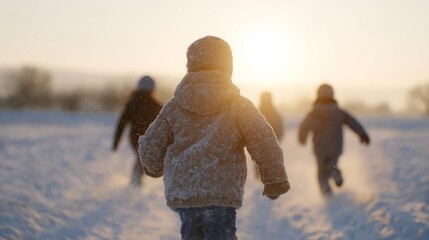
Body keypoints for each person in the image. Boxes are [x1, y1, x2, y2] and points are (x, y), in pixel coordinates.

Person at [138, 36, 290, 239]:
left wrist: (153, 166)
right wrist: (274, 178)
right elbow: (263, 140)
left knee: (192, 234)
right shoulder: (239, 106)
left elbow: (151, 145)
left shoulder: (173, 107)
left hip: (186, 191)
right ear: (228, 67)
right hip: (222, 191)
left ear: (190, 66)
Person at [298, 83, 370, 197]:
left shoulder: (313, 113)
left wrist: (302, 138)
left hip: (320, 147)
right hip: (335, 147)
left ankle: (327, 194)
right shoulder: (339, 112)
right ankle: (334, 172)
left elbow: (304, 126)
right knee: (331, 164)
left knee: (321, 172)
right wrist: (362, 134)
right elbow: (353, 122)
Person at [112, 76, 162, 186]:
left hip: (134, 138)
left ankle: (135, 183)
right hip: (148, 139)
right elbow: (164, 124)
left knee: (141, 158)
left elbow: (121, 124)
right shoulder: (156, 104)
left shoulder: (132, 103)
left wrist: (116, 142)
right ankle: (134, 184)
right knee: (141, 159)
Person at [254, 91, 285, 178]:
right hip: (270, 140)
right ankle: (266, 174)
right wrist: (278, 136)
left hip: (258, 140)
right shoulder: (274, 113)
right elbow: (279, 125)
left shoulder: (256, 111)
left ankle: (260, 173)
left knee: (259, 156)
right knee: (269, 157)